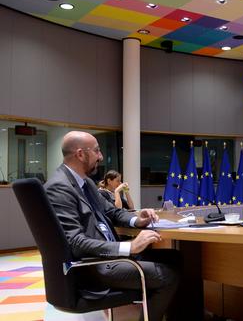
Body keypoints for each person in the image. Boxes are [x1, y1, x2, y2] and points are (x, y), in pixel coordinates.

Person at [44, 131, 180, 321]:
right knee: (169, 275)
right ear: (80, 154)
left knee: (177, 258)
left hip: (109, 256)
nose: (100, 156)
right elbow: (74, 241)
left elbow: (112, 212)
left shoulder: (86, 183)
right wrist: (129, 246)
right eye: (97, 151)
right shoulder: (59, 187)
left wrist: (137, 220)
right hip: (95, 265)